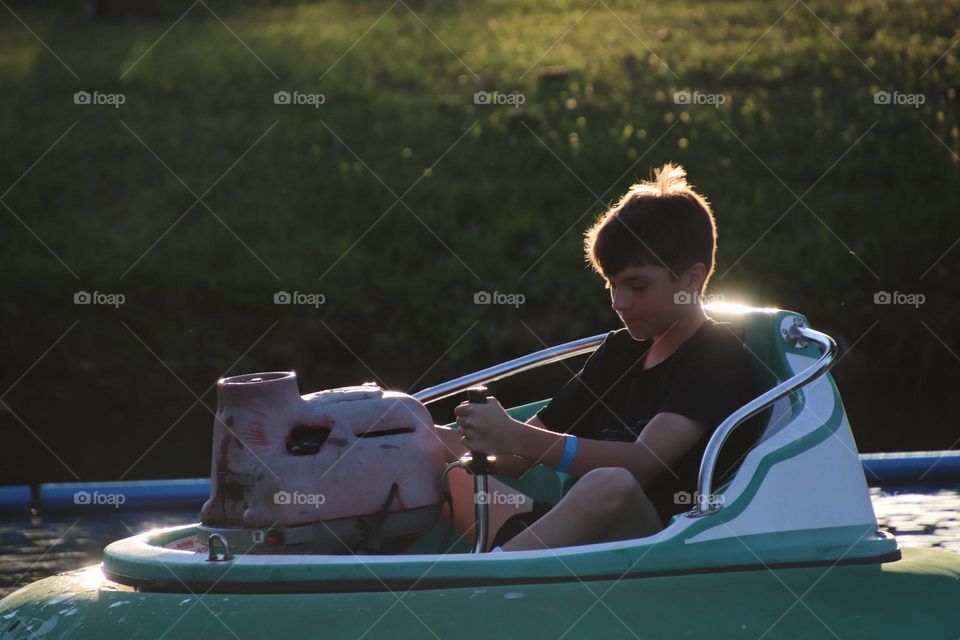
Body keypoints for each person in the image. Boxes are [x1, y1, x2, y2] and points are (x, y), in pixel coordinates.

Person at [433, 163, 760, 551]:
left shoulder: (716, 355)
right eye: (612, 285)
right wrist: (419, 433)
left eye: (637, 286)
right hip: (566, 534)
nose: (619, 303)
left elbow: (640, 464)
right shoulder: (619, 351)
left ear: (691, 278)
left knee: (611, 481)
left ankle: (491, 577)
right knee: (409, 450)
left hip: (655, 544)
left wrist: (514, 433)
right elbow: (517, 458)